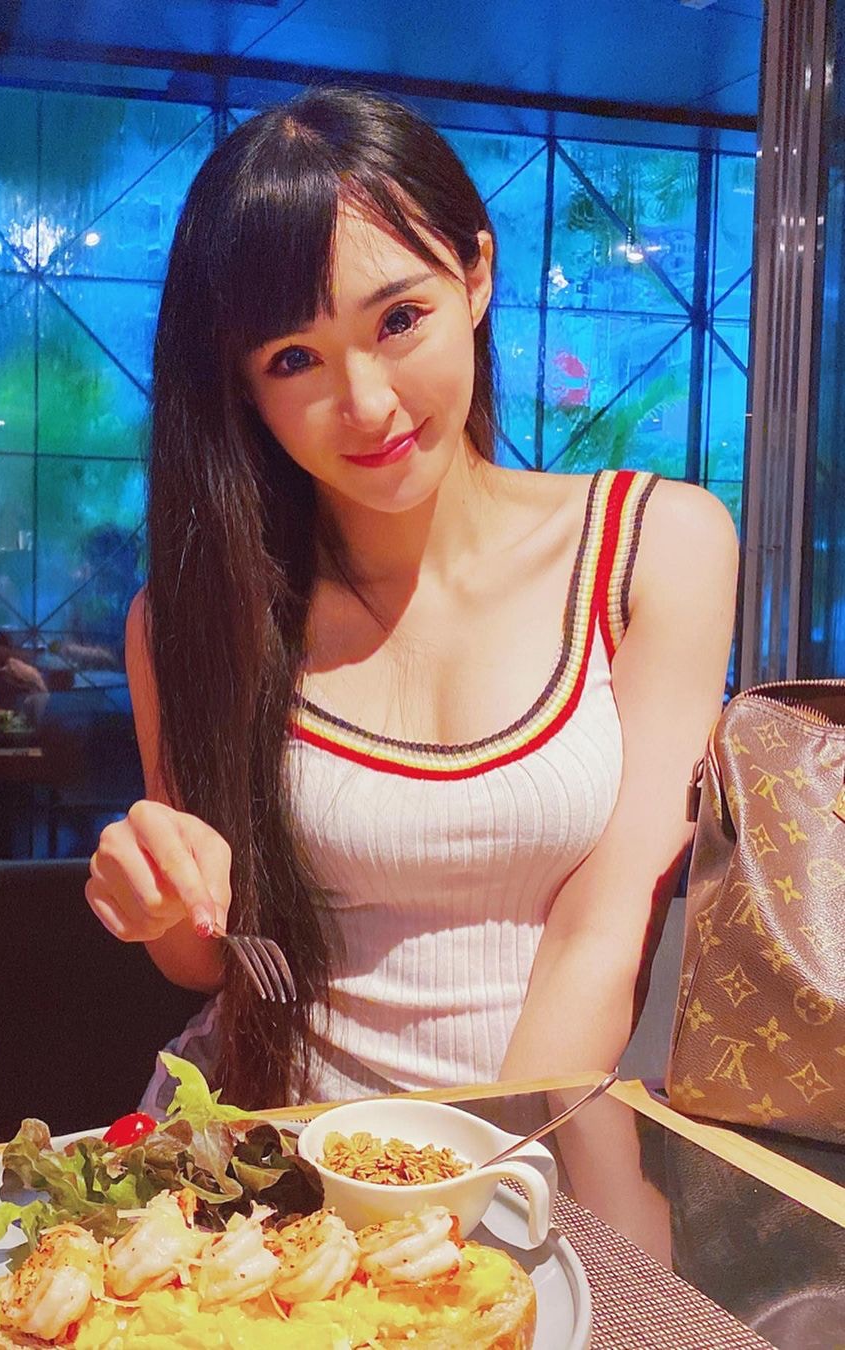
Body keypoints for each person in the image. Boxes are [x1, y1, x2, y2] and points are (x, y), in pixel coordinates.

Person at [85, 87, 738, 1112]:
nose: (368, 404)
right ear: (243, 387)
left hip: (529, 1145)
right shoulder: (191, 616)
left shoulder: (656, 545)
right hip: (264, 1147)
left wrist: (485, 1173)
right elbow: (207, 965)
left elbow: (606, 931)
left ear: (475, 277)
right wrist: (163, 899)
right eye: (294, 359)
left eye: (399, 319)